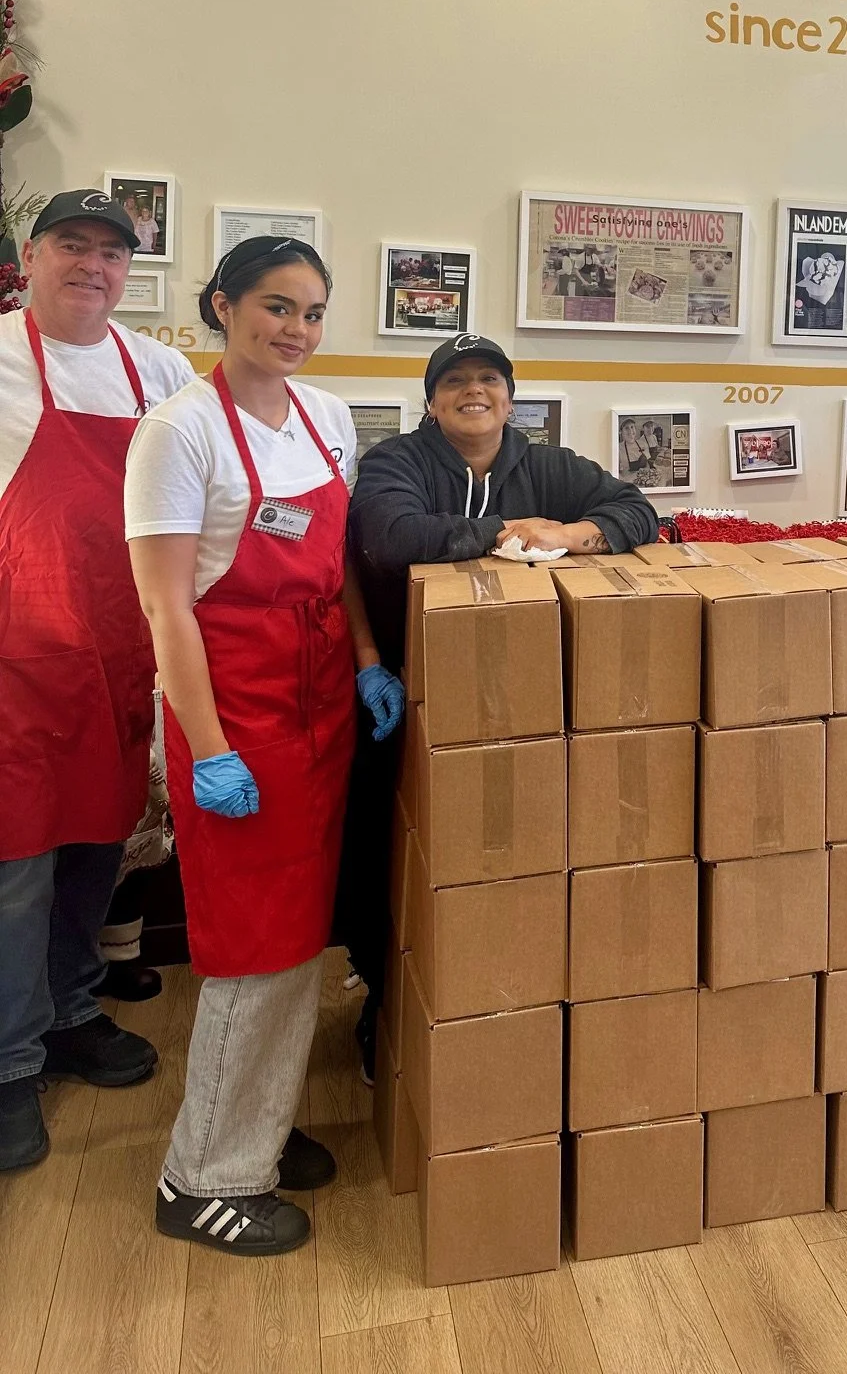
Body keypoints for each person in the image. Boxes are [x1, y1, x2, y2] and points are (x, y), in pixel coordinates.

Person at [125, 237, 402, 1257]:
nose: (296, 328)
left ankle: (259, 1130)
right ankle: (203, 1178)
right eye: (276, 306)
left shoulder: (327, 417)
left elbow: (335, 566)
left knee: (298, 941)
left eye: (313, 311)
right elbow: (166, 607)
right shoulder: (179, 430)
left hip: (320, 708)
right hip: (234, 717)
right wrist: (207, 749)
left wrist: (367, 659)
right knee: (255, 946)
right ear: (223, 305)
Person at [341, 332, 659, 1075]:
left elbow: (636, 510)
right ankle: (384, 1002)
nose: (473, 392)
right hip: (401, 692)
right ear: (431, 401)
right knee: (387, 857)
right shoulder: (396, 461)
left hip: (525, 705)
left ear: (511, 400)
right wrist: (505, 534)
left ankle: (508, 1006)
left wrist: (572, 532)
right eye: (455, 381)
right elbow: (390, 537)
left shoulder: (546, 465)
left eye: (489, 379)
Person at [0, 191, 194, 1174]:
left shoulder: (157, 370)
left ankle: (71, 1010)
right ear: (31, 258)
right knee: (15, 872)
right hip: (16, 668)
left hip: (117, 661)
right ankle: (7, 1063)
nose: (92, 265)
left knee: (95, 849)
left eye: (111, 253)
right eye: (72, 245)